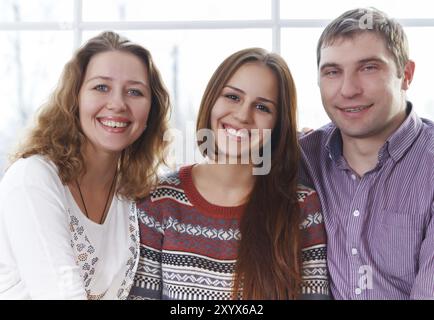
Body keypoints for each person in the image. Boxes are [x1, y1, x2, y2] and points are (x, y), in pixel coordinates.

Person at [128, 48, 329, 300]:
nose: (243, 115)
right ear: (212, 100)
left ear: (278, 125)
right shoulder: (159, 199)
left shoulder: (301, 206)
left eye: (262, 107)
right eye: (233, 97)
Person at [0, 31, 170, 299]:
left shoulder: (130, 192)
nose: (117, 104)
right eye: (101, 87)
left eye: (135, 92)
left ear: (150, 112)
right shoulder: (33, 178)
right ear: (74, 98)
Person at [299, 7, 434, 299]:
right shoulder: (303, 158)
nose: (348, 90)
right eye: (333, 72)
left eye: (368, 68)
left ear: (406, 74)